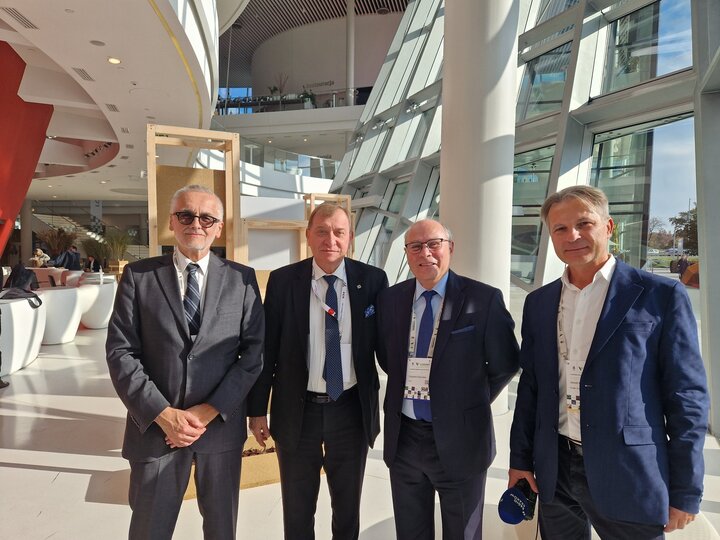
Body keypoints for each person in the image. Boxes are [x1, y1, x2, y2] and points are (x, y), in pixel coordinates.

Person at [509, 185, 709, 539]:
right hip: (555, 469)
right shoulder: (540, 303)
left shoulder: (659, 296)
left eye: (584, 224)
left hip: (627, 472)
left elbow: (687, 397)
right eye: (560, 228)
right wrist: (521, 460)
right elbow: (532, 388)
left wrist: (686, 489)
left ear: (608, 227)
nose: (573, 236)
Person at [106, 184, 264, 540]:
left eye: (207, 217)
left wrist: (208, 410)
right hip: (156, 432)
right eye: (186, 215)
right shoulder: (139, 276)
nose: (197, 223)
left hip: (219, 431)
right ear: (172, 222)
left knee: (222, 530)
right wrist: (164, 414)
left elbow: (253, 355)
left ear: (219, 227)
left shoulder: (242, 280)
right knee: (149, 530)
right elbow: (120, 352)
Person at [246, 204, 388, 539]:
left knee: (347, 509)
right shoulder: (283, 281)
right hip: (297, 411)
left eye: (339, 232)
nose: (330, 239)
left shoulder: (372, 281)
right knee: (297, 510)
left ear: (350, 238)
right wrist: (257, 410)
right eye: (322, 231)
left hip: (351, 410)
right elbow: (268, 348)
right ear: (308, 235)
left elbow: (387, 343)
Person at [376, 219, 519, 540]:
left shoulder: (483, 300)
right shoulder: (391, 300)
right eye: (415, 246)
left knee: (463, 534)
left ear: (450, 248)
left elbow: (505, 363)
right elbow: (388, 359)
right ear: (407, 253)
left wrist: (466, 401)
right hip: (405, 442)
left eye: (434, 244)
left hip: (462, 441)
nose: (425, 253)